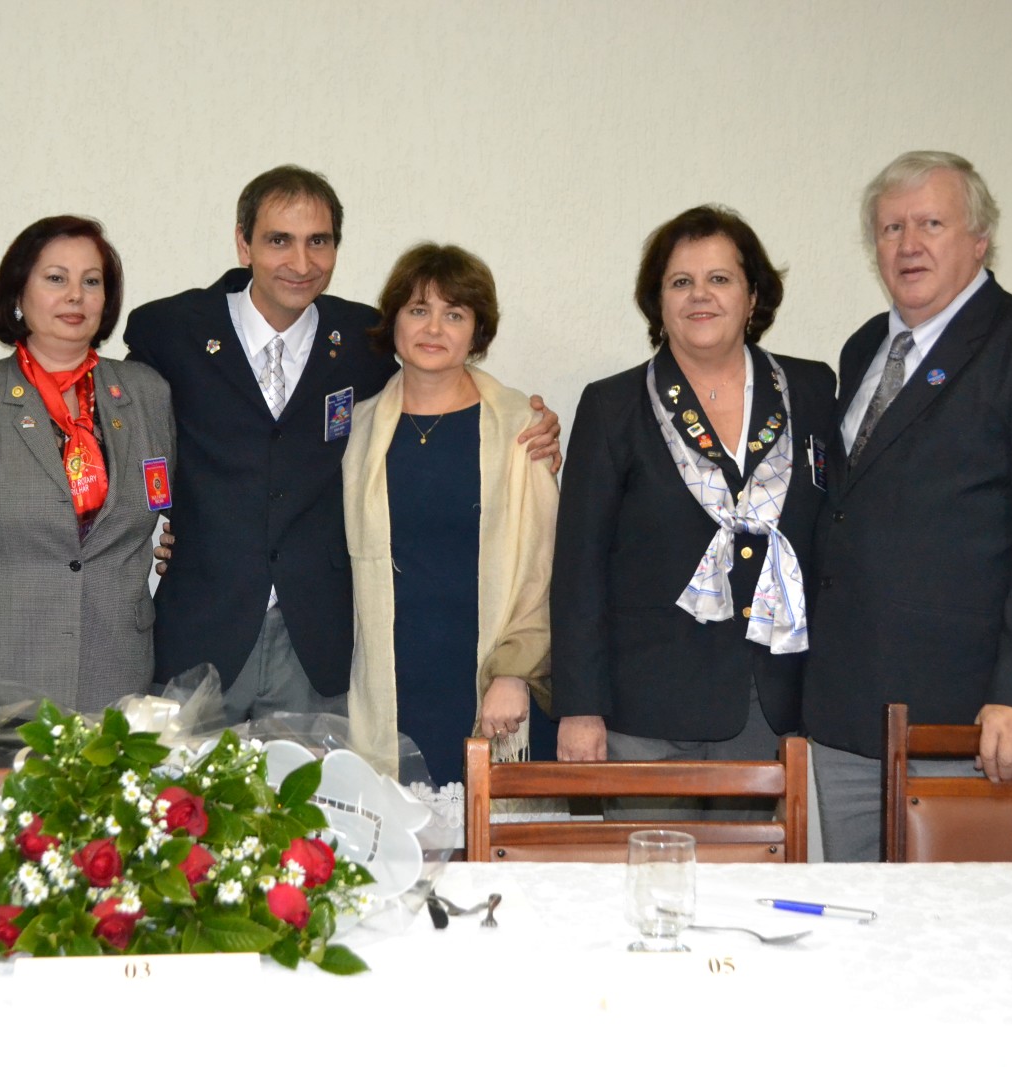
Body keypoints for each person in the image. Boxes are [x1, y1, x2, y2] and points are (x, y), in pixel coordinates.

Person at [124, 165, 559, 723]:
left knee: (313, 783)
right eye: (279, 240)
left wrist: (525, 421)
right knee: (181, 782)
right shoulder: (172, 330)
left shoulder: (365, 341)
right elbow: (127, 430)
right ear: (243, 243)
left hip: (319, 645)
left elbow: (438, 384)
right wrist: (155, 524)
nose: (301, 262)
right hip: (200, 632)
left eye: (318, 241)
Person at [803, 151, 1012, 861]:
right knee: (869, 923)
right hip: (854, 723)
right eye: (891, 228)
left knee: (986, 925)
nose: (907, 244)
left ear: (980, 240)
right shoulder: (864, 348)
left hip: (983, 727)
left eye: (931, 224)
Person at [551, 206, 836, 819]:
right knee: (647, 874)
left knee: (748, 872)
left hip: (767, 704)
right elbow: (578, 569)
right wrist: (579, 707)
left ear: (753, 295)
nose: (700, 295)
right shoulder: (612, 406)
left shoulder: (812, 391)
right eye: (681, 281)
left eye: (720, 279)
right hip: (643, 710)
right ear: (658, 302)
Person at [0, 216, 173, 715]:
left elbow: (174, 504)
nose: (75, 296)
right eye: (56, 278)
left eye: (91, 281)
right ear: (18, 294)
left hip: (116, 668)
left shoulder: (145, 394)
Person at [344, 244, 557, 790]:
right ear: (394, 320)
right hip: (389, 680)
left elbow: (543, 568)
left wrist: (514, 672)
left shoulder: (521, 428)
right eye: (418, 310)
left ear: (477, 331)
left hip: (489, 683)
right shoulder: (357, 428)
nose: (433, 328)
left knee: (488, 835)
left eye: (454, 314)